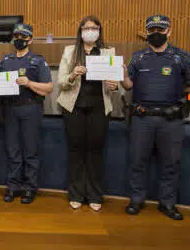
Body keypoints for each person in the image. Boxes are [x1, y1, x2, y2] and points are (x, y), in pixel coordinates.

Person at [122, 15, 190, 221]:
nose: (156, 34)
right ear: (147, 32)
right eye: (152, 30)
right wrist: (122, 75)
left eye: (161, 30)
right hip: (142, 118)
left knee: (171, 163)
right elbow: (128, 86)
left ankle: (168, 203)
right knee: (137, 161)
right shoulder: (138, 57)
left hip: (171, 119)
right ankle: (136, 199)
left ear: (169, 31)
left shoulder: (182, 57)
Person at [57, 16, 118, 211]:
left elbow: (114, 84)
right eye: (86, 28)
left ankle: (94, 195)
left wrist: (114, 85)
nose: (90, 31)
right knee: (76, 150)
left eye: (94, 27)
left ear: (99, 30)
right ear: (80, 31)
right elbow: (61, 82)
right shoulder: (70, 51)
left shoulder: (109, 52)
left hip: (99, 108)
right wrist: (73, 74)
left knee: (96, 151)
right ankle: (76, 193)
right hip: (74, 108)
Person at [0, 24, 53, 204]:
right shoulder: (6, 60)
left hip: (30, 109)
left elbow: (48, 88)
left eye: (23, 36)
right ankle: (13, 186)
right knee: (13, 150)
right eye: (16, 36)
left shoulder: (37, 61)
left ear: (30, 39)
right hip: (10, 109)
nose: (19, 39)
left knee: (30, 151)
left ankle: (30, 188)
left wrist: (29, 83)